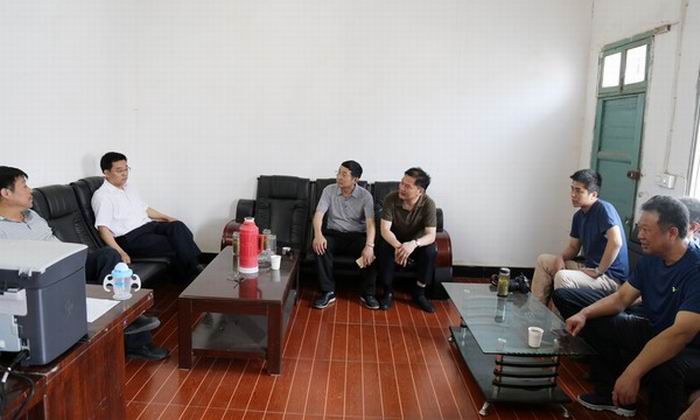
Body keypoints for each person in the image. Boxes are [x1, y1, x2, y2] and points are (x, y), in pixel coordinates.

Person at [553, 196, 700, 419]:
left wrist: (633, 372)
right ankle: (608, 393)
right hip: (655, 330)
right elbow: (621, 298)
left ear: (671, 233)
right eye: (639, 228)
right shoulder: (652, 257)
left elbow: (679, 335)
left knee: (668, 366)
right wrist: (584, 313)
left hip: (690, 347)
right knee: (583, 310)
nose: (639, 235)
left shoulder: (695, 269)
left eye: (646, 230)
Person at [0, 166, 168, 361]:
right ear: (6, 193)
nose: (30, 191)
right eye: (24, 186)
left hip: (69, 262)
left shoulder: (32, 215)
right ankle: (137, 340)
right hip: (47, 279)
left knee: (108, 255)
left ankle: (128, 314)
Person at [92, 152, 202, 281]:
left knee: (178, 226)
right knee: (176, 242)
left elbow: (144, 209)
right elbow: (103, 229)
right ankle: (194, 272)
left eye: (126, 169)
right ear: (106, 172)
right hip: (130, 238)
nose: (125, 174)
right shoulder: (102, 196)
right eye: (119, 170)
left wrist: (167, 218)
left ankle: (191, 271)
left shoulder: (129, 187)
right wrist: (121, 252)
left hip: (148, 226)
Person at [531, 169, 629, 306]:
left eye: (578, 191)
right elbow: (573, 247)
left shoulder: (604, 209)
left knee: (563, 277)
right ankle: (536, 312)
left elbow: (616, 242)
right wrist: (560, 258)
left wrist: (598, 271)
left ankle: (558, 319)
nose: (572, 194)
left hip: (609, 278)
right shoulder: (578, 216)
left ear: (593, 194)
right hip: (588, 268)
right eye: (572, 189)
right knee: (544, 261)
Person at [312, 161, 378, 310]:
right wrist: (318, 235)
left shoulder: (365, 196)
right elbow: (318, 215)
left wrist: (369, 246)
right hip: (334, 234)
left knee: (372, 252)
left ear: (355, 179)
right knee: (320, 246)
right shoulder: (329, 190)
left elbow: (370, 224)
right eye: (338, 173)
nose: (339, 177)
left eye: (344, 174)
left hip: (356, 236)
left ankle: (367, 293)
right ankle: (328, 291)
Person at [377, 167, 437, 313]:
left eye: (407, 186)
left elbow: (431, 235)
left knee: (430, 251)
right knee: (383, 247)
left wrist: (414, 244)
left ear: (420, 191)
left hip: (415, 245)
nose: (401, 188)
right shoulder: (391, 198)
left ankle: (419, 293)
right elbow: (385, 230)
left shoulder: (428, 204)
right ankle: (387, 291)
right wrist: (399, 247)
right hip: (394, 241)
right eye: (401, 183)